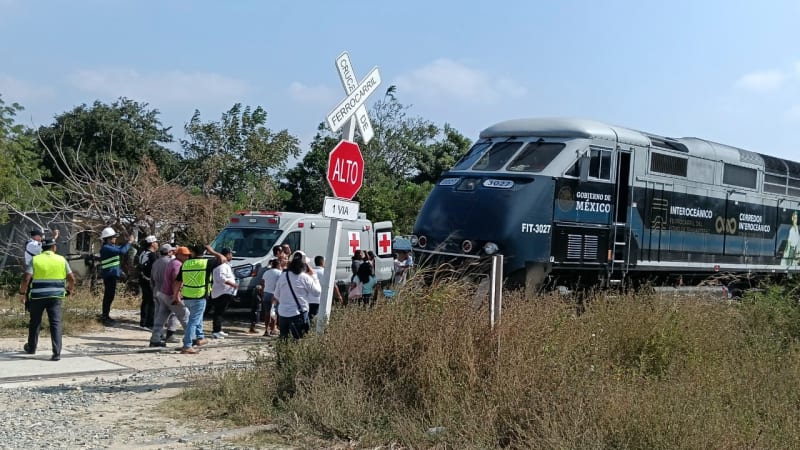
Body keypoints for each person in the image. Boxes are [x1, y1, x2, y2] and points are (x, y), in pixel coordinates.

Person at [18, 238, 75, 361]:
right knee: (56, 323)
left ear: (42, 248)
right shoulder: (61, 259)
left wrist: (22, 293)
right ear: (54, 248)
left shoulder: (35, 259)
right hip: (56, 297)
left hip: (37, 297)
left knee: (35, 322)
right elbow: (71, 278)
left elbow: (26, 278)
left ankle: (32, 348)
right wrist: (69, 290)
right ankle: (56, 353)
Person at [273, 251, 320, 340]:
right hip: (298, 315)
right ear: (304, 265)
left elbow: (276, 295)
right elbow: (317, 292)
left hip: (283, 314)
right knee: (299, 341)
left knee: (284, 341)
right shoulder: (305, 277)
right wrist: (314, 276)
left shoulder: (283, 276)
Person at [148, 243, 188, 347]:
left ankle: (156, 338)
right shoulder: (173, 263)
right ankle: (188, 338)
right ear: (169, 252)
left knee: (159, 316)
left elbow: (151, 279)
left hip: (158, 291)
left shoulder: (156, 262)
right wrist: (177, 294)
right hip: (171, 292)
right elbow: (176, 280)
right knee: (181, 315)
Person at [99, 227, 135, 326]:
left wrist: (127, 243)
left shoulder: (111, 247)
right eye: (113, 237)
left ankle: (106, 315)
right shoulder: (107, 248)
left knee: (110, 296)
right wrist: (130, 242)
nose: (115, 239)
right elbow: (122, 251)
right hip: (109, 275)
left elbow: (120, 249)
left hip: (112, 275)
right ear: (108, 238)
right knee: (108, 296)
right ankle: (105, 317)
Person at [209, 248, 238, 339]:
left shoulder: (226, 265)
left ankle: (219, 330)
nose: (232, 256)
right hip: (221, 293)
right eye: (230, 254)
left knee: (220, 312)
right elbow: (222, 278)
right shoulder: (221, 266)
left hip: (224, 292)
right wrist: (233, 284)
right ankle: (216, 331)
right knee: (218, 312)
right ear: (226, 255)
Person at [138, 235, 159, 329]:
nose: (157, 244)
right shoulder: (152, 255)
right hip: (149, 280)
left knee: (145, 300)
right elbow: (155, 269)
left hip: (142, 279)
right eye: (156, 242)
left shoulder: (143, 253)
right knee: (151, 301)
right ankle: (149, 322)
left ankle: (143, 321)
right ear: (152, 244)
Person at [259, 258, 282, 336]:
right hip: (275, 295)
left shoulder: (266, 273)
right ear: (279, 265)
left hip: (266, 293)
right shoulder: (280, 273)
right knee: (274, 312)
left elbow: (262, 283)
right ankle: (273, 329)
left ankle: (266, 330)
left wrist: (262, 293)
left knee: (267, 312)